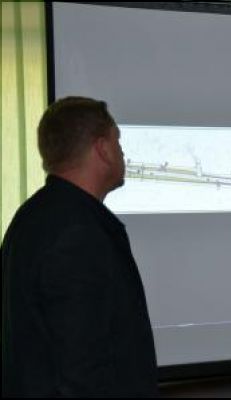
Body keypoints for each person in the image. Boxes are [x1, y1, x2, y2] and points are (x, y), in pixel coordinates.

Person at [2, 97, 158, 397]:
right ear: (103, 149)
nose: (122, 152)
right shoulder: (78, 233)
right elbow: (83, 370)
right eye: (117, 141)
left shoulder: (32, 216)